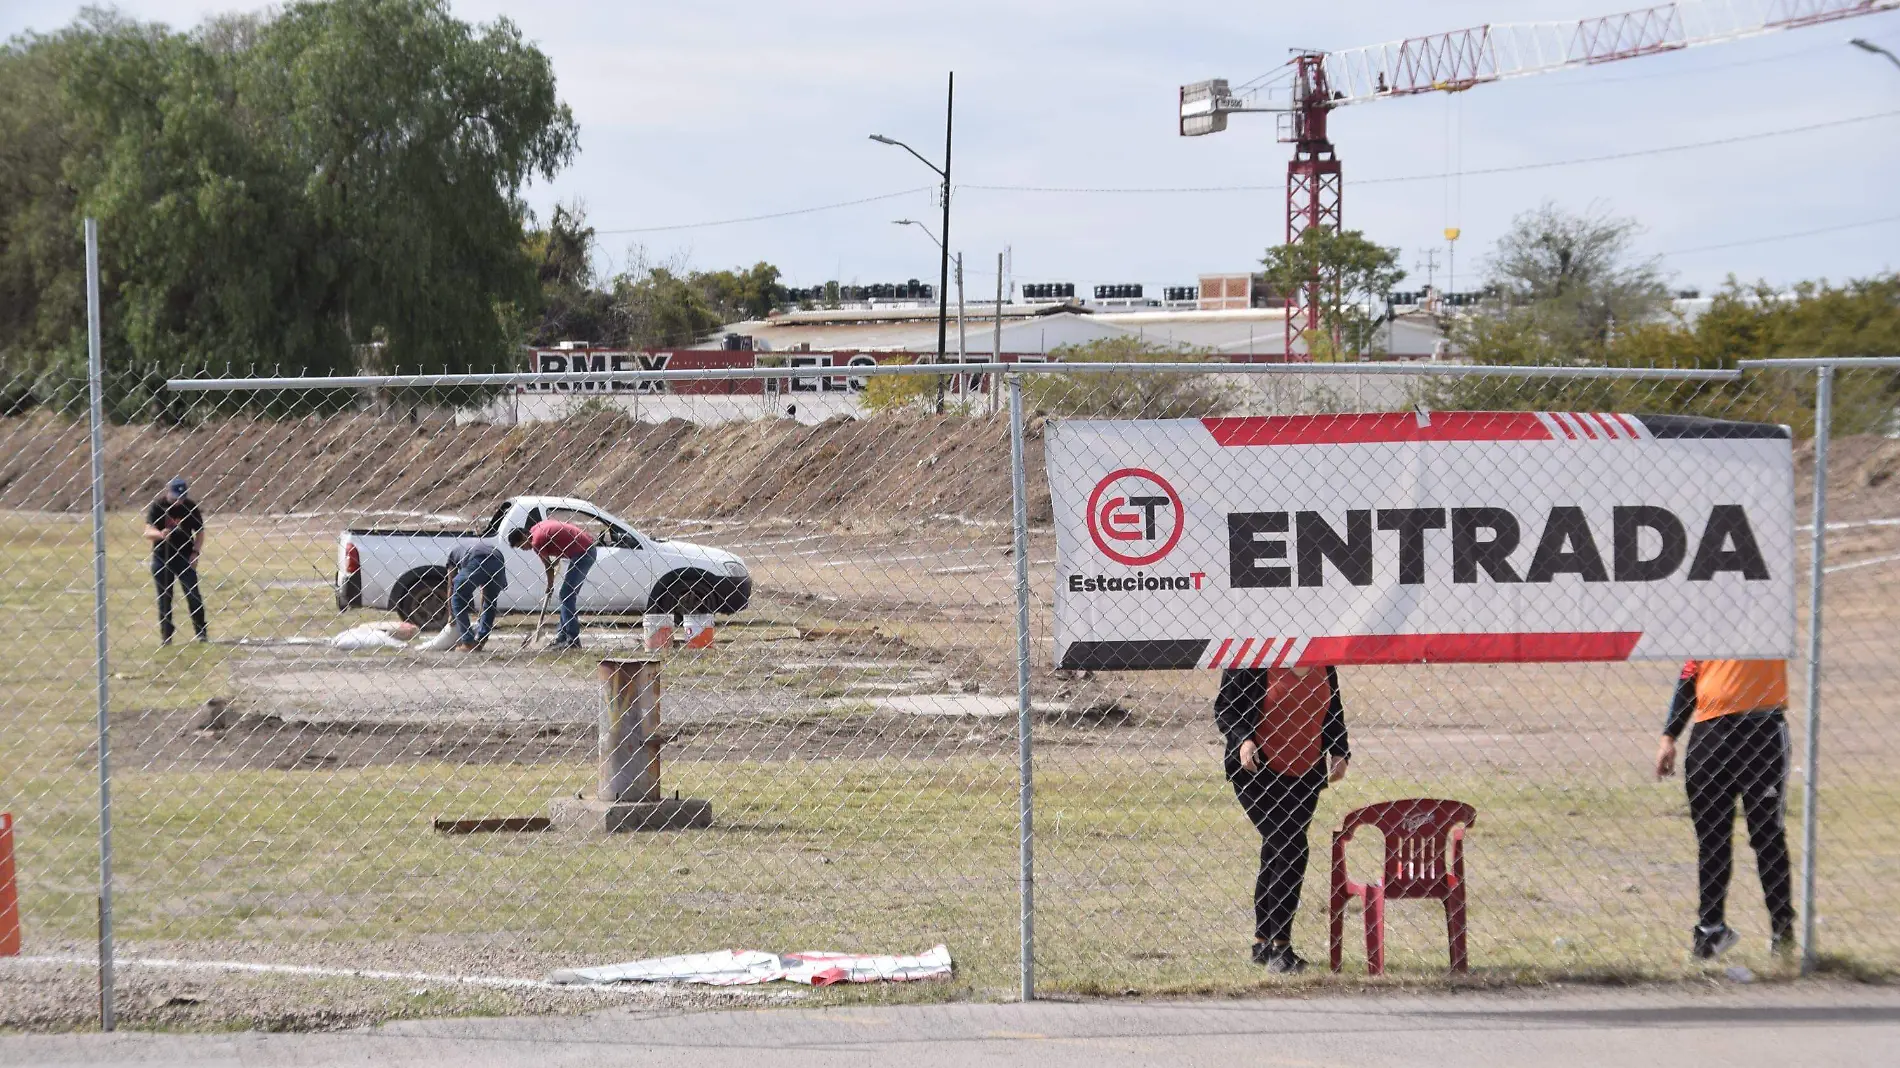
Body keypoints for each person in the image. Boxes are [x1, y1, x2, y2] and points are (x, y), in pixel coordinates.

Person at [1655, 659, 1795, 960]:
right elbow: (1689, 675)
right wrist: (1669, 736)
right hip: (1711, 732)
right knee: (1712, 840)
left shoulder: (1767, 615)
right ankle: (1711, 931)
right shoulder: (1707, 623)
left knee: (1767, 836)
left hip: (1763, 730)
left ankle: (1782, 931)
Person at [1215, 664, 1351, 973]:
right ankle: (1280, 949)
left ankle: (1263, 942)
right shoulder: (1253, 658)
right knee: (1293, 848)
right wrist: (1244, 739)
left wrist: (1340, 751)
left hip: (1305, 775)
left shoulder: (1324, 663)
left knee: (1277, 850)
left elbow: (1333, 710)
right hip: (1258, 773)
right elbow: (1225, 707)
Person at [508, 518, 596, 650]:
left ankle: (572, 640)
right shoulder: (536, 528)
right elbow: (560, 537)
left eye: (522, 546)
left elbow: (548, 567)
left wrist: (549, 587)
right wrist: (558, 557)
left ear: (524, 536)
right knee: (566, 596)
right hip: (583, 548)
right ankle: (562, 636)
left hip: (584, 553)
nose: (524, 550)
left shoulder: (536, 541)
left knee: (566, 595)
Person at [143, 476, 207, 644]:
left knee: (193, 595)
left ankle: (201, 633)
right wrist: (160, 534)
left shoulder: (190, 507)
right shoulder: (158, 506)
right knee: (165, 598)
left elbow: (200, 532)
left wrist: (195, 552)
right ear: (168, 493)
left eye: (182, 497)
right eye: (175, 498)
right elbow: (148, 531)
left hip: (184, 558)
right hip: (162, 558)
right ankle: (167, 637)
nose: (179, 501)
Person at [446, 541, 508, 651]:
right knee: (490, 601)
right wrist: (481, 613)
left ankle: (468, 642)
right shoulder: (467, 548)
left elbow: (451, 585)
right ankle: (481, 640)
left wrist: (451, 614)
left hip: (477, 558)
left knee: (457, 598)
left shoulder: (452, 557)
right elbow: (484, 589)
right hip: (498, 558)